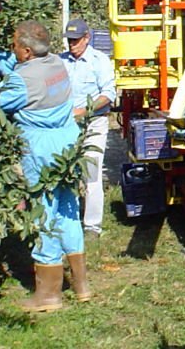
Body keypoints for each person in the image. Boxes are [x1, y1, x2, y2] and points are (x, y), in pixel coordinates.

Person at [0, 20, 89, 312]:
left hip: (40, 148)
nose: (12, 49)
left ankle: (49, 293)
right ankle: (81, 285)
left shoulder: (21, 82)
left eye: (15, 45)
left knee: (43, 211)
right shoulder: (56, 65)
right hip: (68, 145)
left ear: (27, 51)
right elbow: (21, 70)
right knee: (67, 207)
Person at [60, 18, 116, 239]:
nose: (71, 45)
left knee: (91, 172)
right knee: (67, 170)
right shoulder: (61, 61)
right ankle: (70, 220)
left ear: (87, 38)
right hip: (67, 124)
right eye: (69, 41)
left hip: (94, 122)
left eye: (75, 40)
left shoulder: (98, 61)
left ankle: (92, 225)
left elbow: (108, 94)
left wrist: (84, 111)